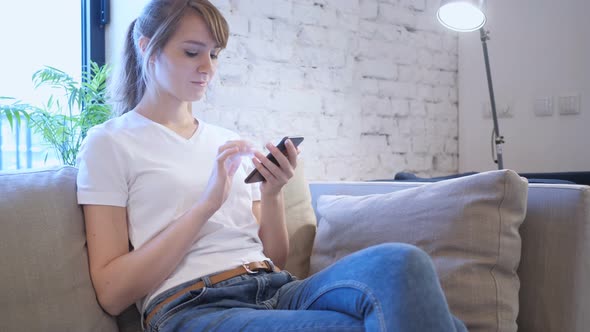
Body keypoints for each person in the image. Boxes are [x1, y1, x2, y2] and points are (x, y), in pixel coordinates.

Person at [76, 0, 468, 331]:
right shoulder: (109, 143)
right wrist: (205, 206)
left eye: (214, 54)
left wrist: (273, 191)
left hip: (276, 287)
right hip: (193, 306)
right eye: (192, 52)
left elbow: (274, 257)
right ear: (147, 47)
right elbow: (112, 293)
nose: (208, 68)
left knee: (404, 261)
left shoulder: (227, 141)